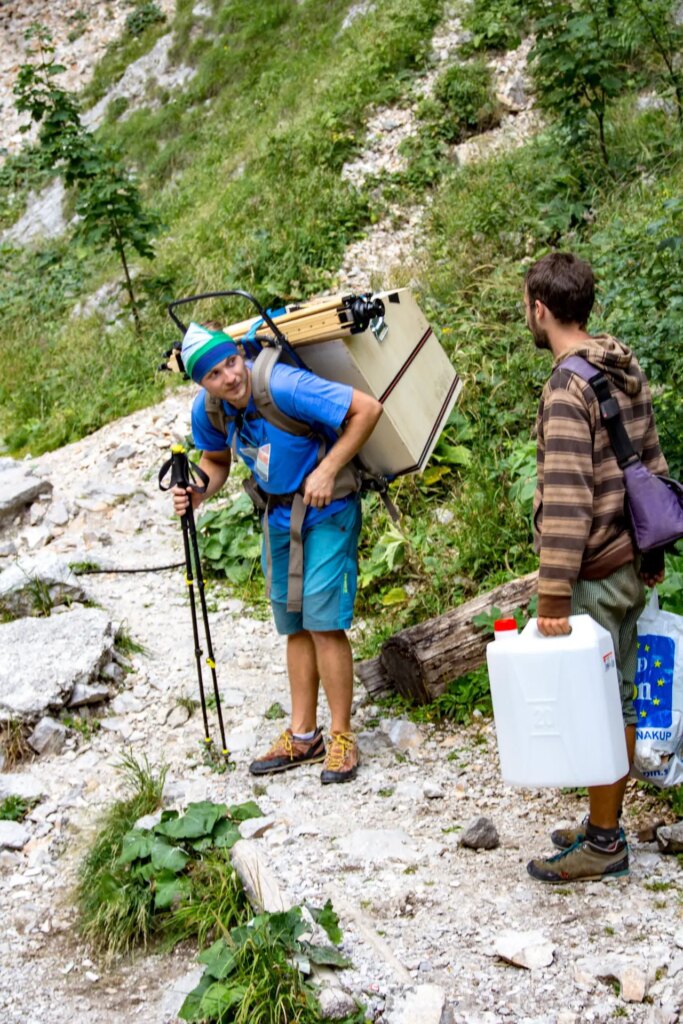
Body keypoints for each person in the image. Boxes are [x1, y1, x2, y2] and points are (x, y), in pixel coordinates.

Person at [171, 320, 382, 784]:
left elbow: (367, 410)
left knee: (323, 621)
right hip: (278, 517)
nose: (230, 376)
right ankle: (304, 736)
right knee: (294, 623)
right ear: (202, 382)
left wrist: (327, 469)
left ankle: (342, 736)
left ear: (239, 355)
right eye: (215, 374)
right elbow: (215, 460)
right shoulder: (209, 411)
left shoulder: (282, 384)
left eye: (232, 362)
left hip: (329, 509)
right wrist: (198, 492)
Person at [522, 252, 667, 883]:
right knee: (625, 695)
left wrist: (552, 596)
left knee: (599, 704)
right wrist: (654, 551)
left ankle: (605, 843)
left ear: (540, 309)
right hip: (632, 558)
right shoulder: (621, 366)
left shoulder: (566, 386)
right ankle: (602, 819)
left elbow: (567, 498)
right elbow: (652, 463)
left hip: (596, 570)